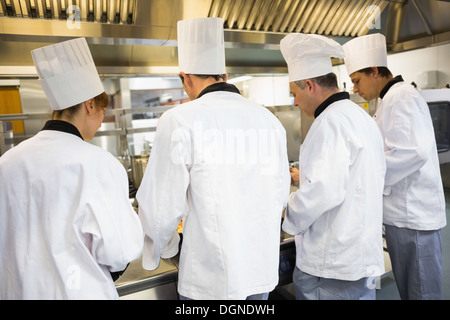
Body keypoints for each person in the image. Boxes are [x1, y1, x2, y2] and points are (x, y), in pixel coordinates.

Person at [136, 17, 291, 300]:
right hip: (260, 276)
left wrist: (167, 248)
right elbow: (280, 197)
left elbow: (161, 208)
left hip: (209, 281)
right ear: (225, 76)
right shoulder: (269, 121)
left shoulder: (179, 120)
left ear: (186, 78)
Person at [0, 38, 143, 299]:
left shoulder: (6, 162)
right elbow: (119, 253)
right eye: (102, 110)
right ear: (89, 105)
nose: (101, 121)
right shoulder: (98, 163)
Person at [280, 33, 386, 300]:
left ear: (310, 85)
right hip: (358, 257)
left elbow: (324, 192)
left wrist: (286, 211)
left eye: (294, 93)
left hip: (331, 265)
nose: (294, 102)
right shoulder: (360, 117)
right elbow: (351, 181)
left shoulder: (329, 122)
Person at [343, 33, 447, 300]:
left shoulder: (401, 97)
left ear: (375, 71)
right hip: (402, 215)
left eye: (357, 80)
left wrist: (365, 172)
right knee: (412, 291)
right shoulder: (387, 99)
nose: (355, 88)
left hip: (413, 216)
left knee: (422, 292)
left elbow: (414, 151)